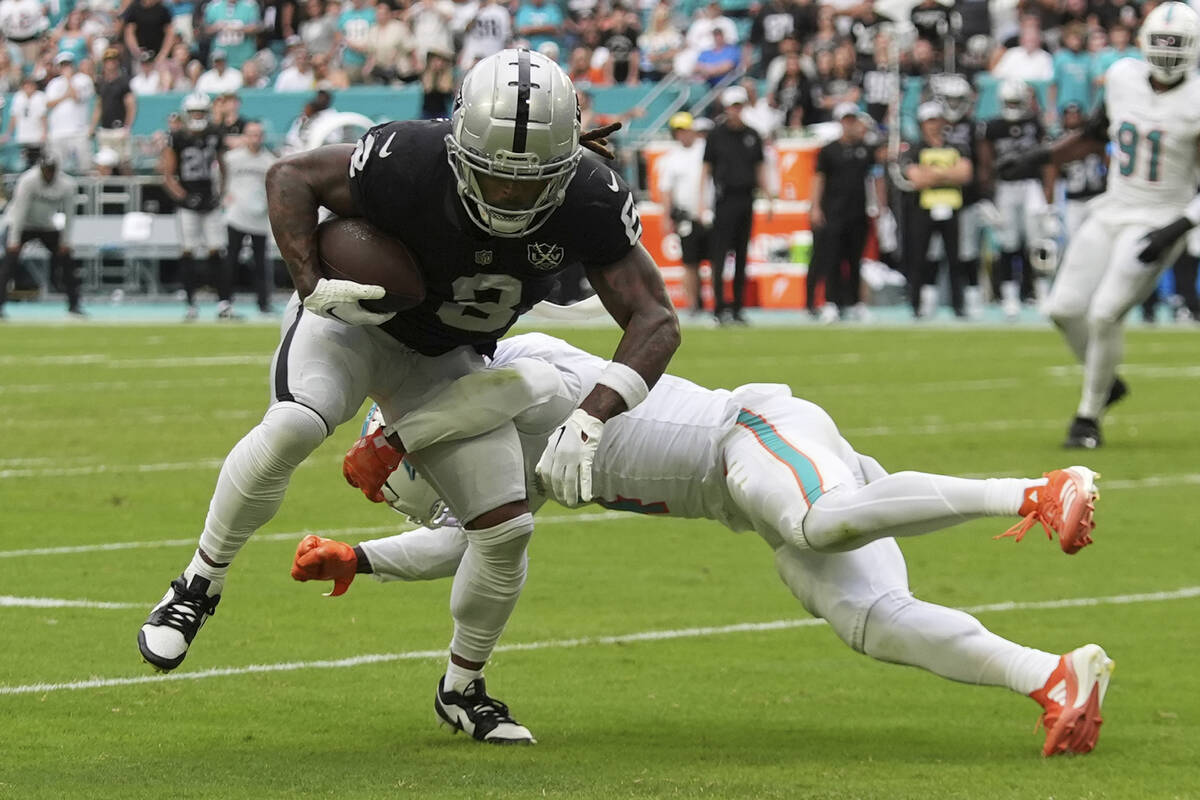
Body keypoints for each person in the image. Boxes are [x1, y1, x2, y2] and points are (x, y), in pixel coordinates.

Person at [135, 49, 680, 745]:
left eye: (531, 180)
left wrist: (592, 415)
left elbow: (655, 319)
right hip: (358, 325)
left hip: (447, 357)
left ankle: (461, 688)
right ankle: (197, 585)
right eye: (494, 177)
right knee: (297, 426)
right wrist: (310, 283)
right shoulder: (407, 157)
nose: (510, 196)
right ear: (460, 148)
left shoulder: (591, 196)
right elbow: (290, 177)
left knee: (506, 531)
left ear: (565, 162)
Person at [309, 331, 1111, 758]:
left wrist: (403, 435)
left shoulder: (506, 369)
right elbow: (460, 547)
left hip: (749, 432)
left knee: (820, 522)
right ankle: (1056, 679)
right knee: (874, 620)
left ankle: (1036, 491)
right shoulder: (507, 471)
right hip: (746, 495)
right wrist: (362, 558)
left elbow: (539, 389)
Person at [1000, 2, 1200, 449]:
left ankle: (1087, 417)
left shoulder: (1196, 100)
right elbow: (1094, 135)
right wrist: (1040, 157)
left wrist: (1178, 226)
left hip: (1159, 218)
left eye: (1177, 46)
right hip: (1112, 208)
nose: (1167, 54)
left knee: (1105, 312)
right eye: (1162, 44)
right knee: (1062, 308)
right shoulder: (1124, 78)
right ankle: (1109, 384)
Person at [700, 85, 773, 326]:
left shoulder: (752, 134)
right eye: (733, 106)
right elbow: (706, 170)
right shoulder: (716, 135)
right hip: (724, 198)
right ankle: (720, 308)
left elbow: (760, 167)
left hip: (746, 197)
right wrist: (702, 202)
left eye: (740, 106)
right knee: (720, 255)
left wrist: (768, 197)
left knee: (742, 254)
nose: (736, 111)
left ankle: (738, 307)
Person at [978, 79, 1050, 319]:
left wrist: (1048, 199)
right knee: (1008, 244)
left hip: (1031, 186)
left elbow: (1046, 159)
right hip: (1006, 188)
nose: (1013, 106)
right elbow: (986, 163)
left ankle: (1040, 293)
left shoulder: (1033, 123)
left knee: (1037, 242)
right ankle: (1009, 297)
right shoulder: (993, 126)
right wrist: (987, 196)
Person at [161, 93, 230, 321]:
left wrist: (220, 194)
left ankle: (223, 303)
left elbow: (223, 167)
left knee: (217, 250)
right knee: (188, 250)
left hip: (210, 201)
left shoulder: (214, 135)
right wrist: (184, 197)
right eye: (194, 112)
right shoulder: (177, 138)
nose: (198, 116)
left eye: (201, 112)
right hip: (188, 203)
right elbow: (168, 175)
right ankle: (191, 304)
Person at [901, 102, 971, 318]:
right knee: (919, 258)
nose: (934, 125)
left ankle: (958, 305)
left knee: (955, 259)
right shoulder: (914, 148)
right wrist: (947, 172)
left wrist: (933, 172)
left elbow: (965, 174)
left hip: (951, 207)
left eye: (937, 120)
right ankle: (916, 305)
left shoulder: (956, 146)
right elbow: (918, 179)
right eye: (929, 120)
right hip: (923, 209)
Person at [809, 103, 877, 322]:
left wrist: (878, 206)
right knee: (832, 259)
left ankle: (856, 302)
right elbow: (819, 179)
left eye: (852, 119)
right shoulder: (829, 150)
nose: (849, 124)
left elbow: (874, 178)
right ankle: (832, 302)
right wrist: (816, 206)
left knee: (856, 259)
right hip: (834, 211)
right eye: (846, 120)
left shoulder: (865, 149)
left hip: (857, 211)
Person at [0, 154, 82, 319]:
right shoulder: (28, 180)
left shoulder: (67, 185)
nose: (48, 174)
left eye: (51, 170)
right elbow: (20, 211)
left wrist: (65, 241)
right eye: (46, 170)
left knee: (67, 260)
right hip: (21, 224)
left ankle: (74, 306)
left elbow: (69, 214)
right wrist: (14, 241)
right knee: (8, 265)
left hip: (46, 225)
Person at [656, 111, 711, 315]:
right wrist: (666, 216)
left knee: (714, 258)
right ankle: (694, 304)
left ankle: (715, 302)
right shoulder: (672, 158)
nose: (682, 135)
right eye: (678, 131)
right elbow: (666, 190)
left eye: (685, 130)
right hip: (686, 214)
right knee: (689, 262)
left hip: (708, 213)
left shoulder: (705, 150)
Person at [223, 120, 277, 315]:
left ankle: (263, 303)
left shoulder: (269, 161)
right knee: (231, 260)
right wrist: (224, 195)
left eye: (258, 134)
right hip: (236, 214)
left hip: (259, 217)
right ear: (245, 136)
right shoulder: (232, 159)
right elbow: (219, 177)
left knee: (261, 263)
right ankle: (225, 301)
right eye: (251, 134)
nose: (255, 138)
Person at [44, 52, 94, 174]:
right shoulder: (53, 83)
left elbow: (76, 96)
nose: (66, 68)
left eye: (68, 64)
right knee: (57, 169)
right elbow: (48, 104)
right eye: (63, 65)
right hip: (57, 132)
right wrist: (64, 96)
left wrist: (68, 79)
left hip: (78, 131)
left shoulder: (83, 80)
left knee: (85, 167)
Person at [91, 49, 137, 172]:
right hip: (105, 129)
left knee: (124, 164)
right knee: (103, 164)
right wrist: (92, 127)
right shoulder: (101, 83)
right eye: (108, 61)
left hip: (119, 128)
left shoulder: (123, 82)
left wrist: (127, 127)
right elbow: (99, 106)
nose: (110, 63)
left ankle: (130, 190)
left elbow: (131, 105)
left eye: (113, 60)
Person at [3, 74, 48, 169]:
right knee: (25, 161)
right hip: (23, 135)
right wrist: (8, 133)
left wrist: (44, 132)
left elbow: (43, 116)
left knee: (37, 160)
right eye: (26, 85)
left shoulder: (39, 96)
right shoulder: (18, 97)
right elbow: (14, 116)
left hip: (36, 135)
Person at [123, 0, 177, 67]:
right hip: (140, 56)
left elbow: (169, 34)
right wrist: (136, 51)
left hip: (159, 55)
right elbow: (129, 33)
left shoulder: (163, 10)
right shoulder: (134, 9)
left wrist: (163, 54)